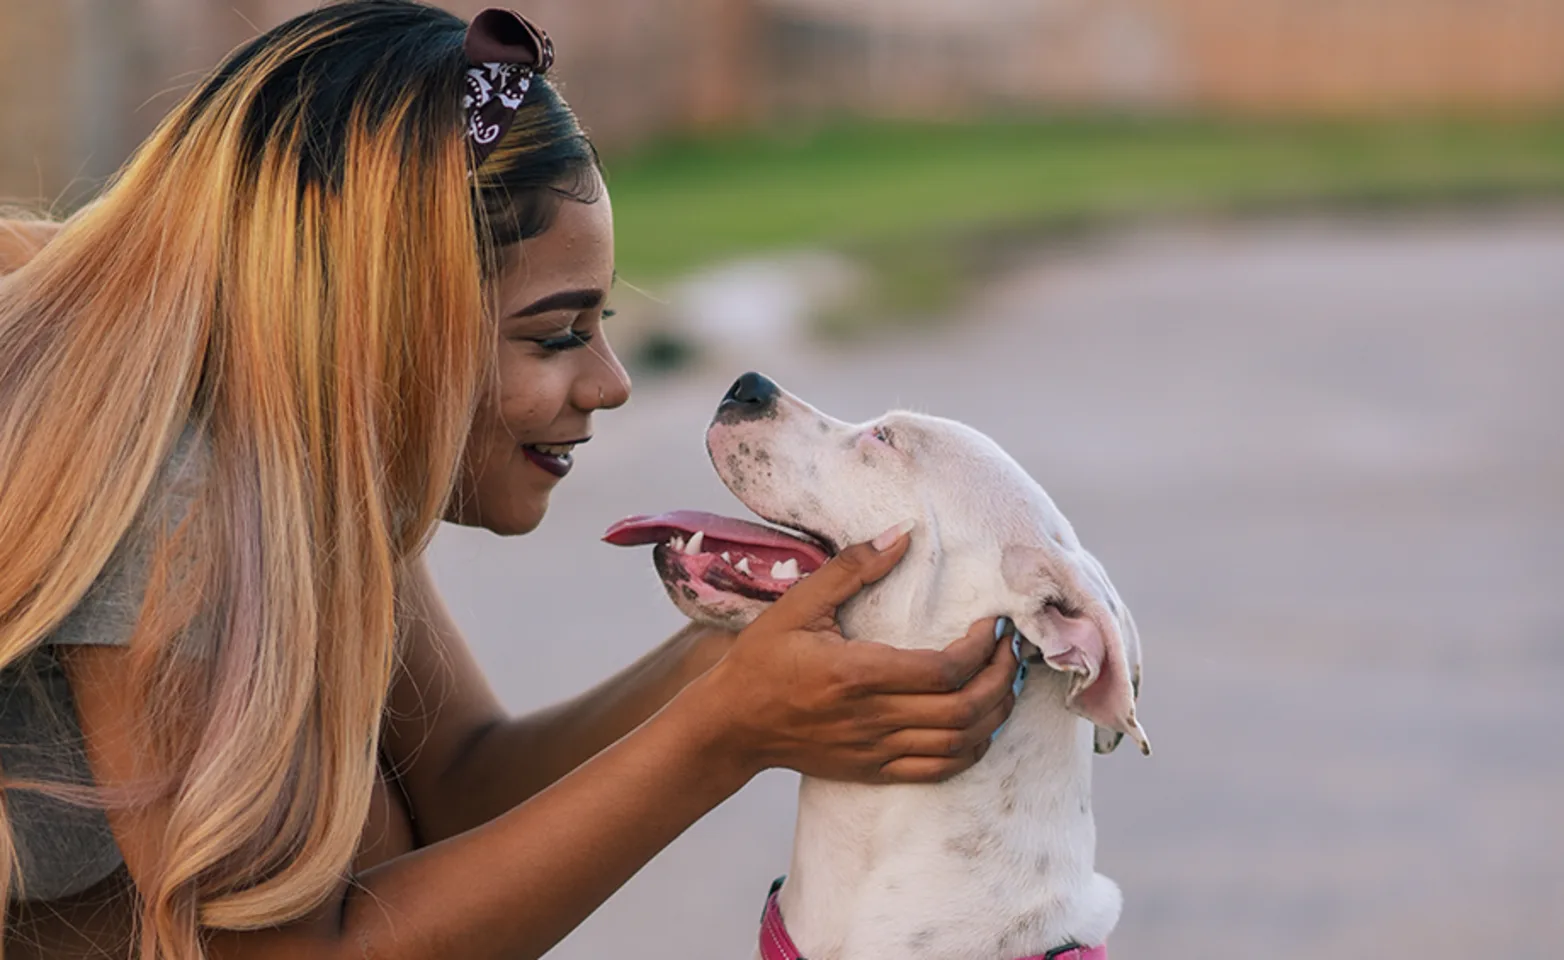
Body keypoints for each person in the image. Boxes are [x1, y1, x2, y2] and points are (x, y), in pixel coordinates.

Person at [0, 3, 1019, 958]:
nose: (609, 384)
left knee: (384, 815)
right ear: (376, 319)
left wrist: (723, 661)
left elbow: (463, 781)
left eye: (601, 328)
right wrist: (722, 740)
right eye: (555, 335)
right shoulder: (171, 483)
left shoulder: (290, 431)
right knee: (350, 839)